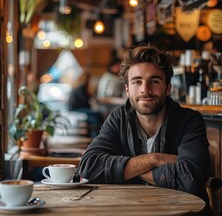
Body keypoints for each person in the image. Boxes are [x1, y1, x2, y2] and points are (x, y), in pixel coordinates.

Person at [78, 44, 212, 214]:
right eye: (137, 81)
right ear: (127, 89)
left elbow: (192, 178)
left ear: (168, 88)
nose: (145, 90)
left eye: (154, 81)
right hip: (131, 210)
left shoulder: (189, 120)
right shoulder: (118, 118)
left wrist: (130, 170)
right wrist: (154, 159)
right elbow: (88, 168)